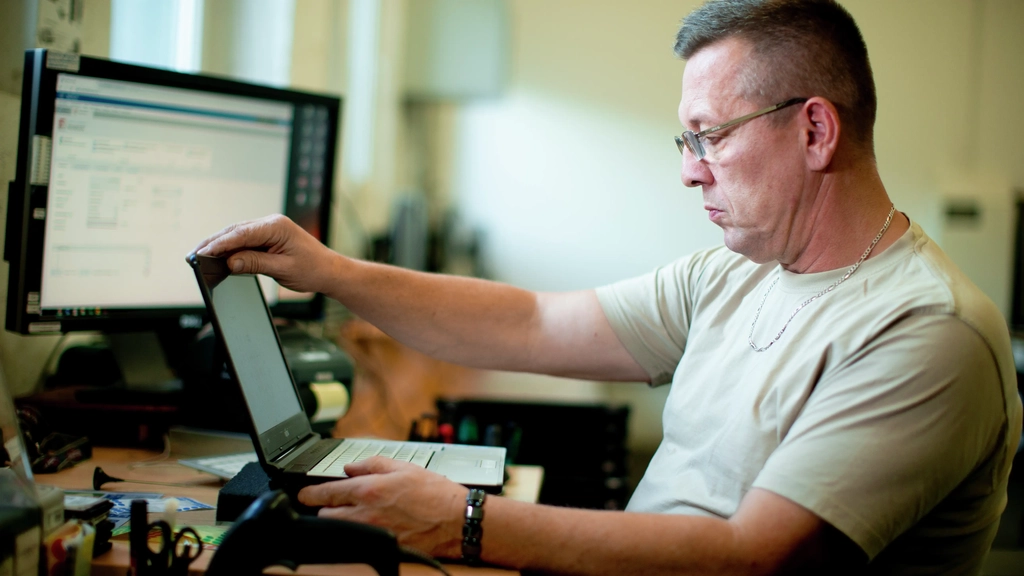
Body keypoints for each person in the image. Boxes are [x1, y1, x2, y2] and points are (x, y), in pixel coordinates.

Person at [192, 0, 1022, 573]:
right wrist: (330, 269)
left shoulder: (927, 333)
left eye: (709, 138)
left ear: (813, 128)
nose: (690, 173)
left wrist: (464, 522)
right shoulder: (736, 271)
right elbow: (531, 323)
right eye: (682, 140)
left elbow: (756, 560)